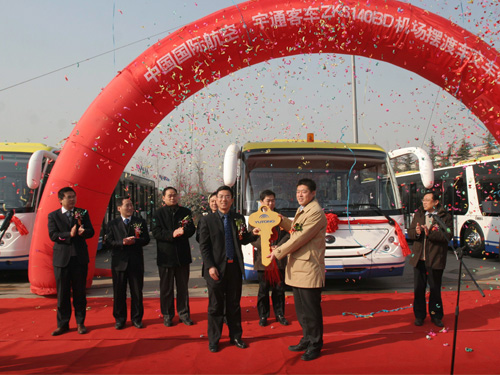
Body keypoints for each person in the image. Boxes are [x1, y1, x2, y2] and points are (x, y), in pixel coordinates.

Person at [269, 178, 327, 361]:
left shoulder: (315, 212)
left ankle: (315, 344)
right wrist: (281, 220)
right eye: (297, 192)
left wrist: (277, 251)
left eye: (303, 191)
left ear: (313, 193)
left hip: (309, 268)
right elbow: (295, 229)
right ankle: (307, 338)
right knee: (302, 310)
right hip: (298, 267)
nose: (300, 195)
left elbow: (299, 238)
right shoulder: (303, 210)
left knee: (311, 310)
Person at [198, 185, 260, 353]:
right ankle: (214, 339)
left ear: (232, 200)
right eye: (221, 196)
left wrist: (253, 233)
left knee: (233, 305)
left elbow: (243, 239)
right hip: (215, 269)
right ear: (216, 200)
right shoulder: (206, 220)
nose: (224, 199)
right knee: (215, 306)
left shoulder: (238, 218)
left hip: (234, 268)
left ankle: (236, 336)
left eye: (227, 197)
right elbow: (204, 247)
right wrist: (210, 266)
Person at [48, 187, 95, 336]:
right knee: (62, 294)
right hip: (62, 260)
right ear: (61, 199)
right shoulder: (53, 216)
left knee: (80, 292)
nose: (72, 200)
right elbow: (53, 235)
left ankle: (80, 323)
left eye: (74, 197)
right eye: (69, 197)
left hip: (79, 259)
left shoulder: (82, 213)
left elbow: (91, 231)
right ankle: (63, 324)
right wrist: (69, 234)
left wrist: (84, 232)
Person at [407, 191, 453, 328]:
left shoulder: (445, 216)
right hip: (419, 259)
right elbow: (409, 232)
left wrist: (430, 234)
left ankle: (436, 316)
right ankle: (419, 316)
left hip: (435, 259)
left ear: (436, 202)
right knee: (419, 289)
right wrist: (416, 232)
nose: (424, 202)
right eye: (423, 200)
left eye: (427, 200)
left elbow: (448, 236)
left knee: (435, 289)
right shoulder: (419, 214)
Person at [152, 187, 196, 327]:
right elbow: (156, 232)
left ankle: (184, 314)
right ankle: (167, 314)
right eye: (169, 196)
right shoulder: (158, 214)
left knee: (183, 287)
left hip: (182, 256)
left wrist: (184, 231)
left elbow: (191, 229)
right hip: (165, 257)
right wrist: (172, 234)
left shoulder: (185, 212)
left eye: (175, 195)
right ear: (163, 198)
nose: (172, 198)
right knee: (166, 288)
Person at [105, 197, 150, 329]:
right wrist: (122, 242)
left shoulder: (139, 222)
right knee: (119, 292)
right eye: (127, 205)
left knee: (137, 292)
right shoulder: (112, 224)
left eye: (131, 205)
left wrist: (135, 241)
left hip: (135, 262)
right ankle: (120, 319)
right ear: (119, 208)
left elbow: (146, 239)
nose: (130, 208)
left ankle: (137, 318)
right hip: (119, 263)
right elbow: (109, 242)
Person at [250, 189, 290, 327]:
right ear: (261, 202)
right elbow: (252, 237)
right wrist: (266, 246)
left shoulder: (280, 217)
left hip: (278, 257)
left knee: (279, 289)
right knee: (263, 289)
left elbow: (288, 235)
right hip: (263, 258)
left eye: (273, 200)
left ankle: (280, 314)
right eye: (268, 200)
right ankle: (263, 315)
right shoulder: (255, 218)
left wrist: (277, 247)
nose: (271, 203)